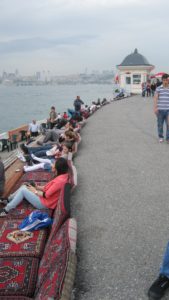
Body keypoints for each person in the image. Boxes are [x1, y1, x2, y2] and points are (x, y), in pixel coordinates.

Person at [0, 158, 69, 216]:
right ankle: (8, 200)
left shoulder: (59, 181)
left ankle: (6, 210)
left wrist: (34, 190)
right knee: (25, 185)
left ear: (58, 168)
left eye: (54, 164)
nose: (52, 165)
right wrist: (36, 186)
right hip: (44, 199)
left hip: (44, 204)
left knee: (23, 190)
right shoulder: (62, 177)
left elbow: (46, 195)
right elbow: (46, 188)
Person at [154, 74, 169, 143]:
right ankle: (161, 137)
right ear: (162, 80)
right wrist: (155, 108)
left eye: (166, 80)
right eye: (164, 80)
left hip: (168, 110)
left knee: (168, 124)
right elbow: (156, 98)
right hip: (160, 110)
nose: (165, 81)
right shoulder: (158, 88)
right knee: (160, 124)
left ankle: (168, 138)